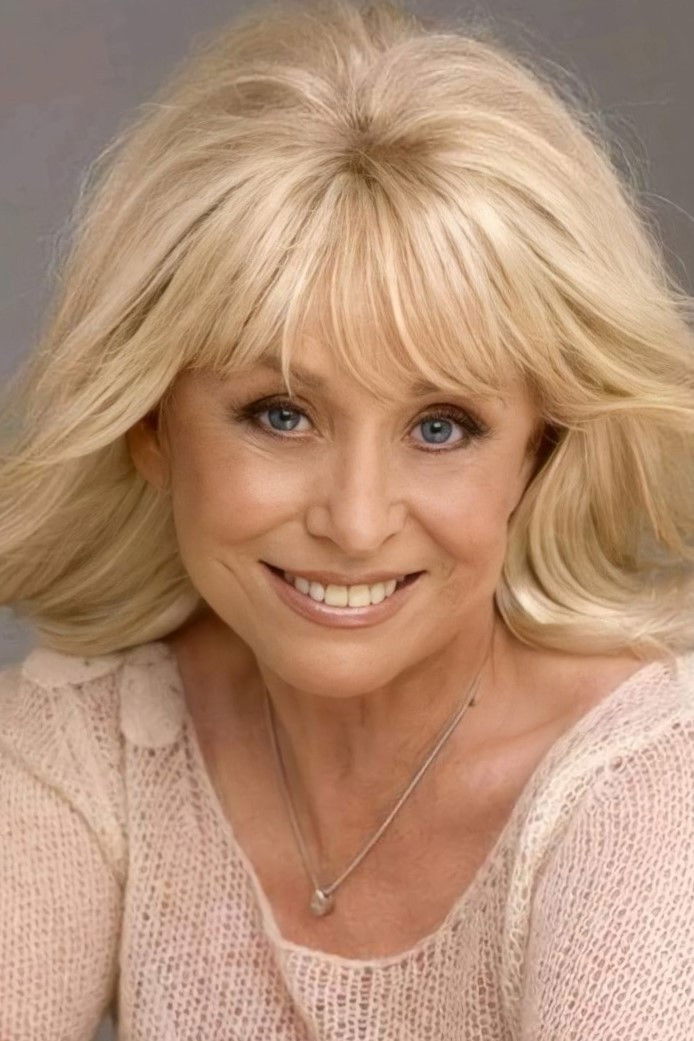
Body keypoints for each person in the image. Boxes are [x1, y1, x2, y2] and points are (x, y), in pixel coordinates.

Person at [1, 0, 693, 1037]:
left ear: (539, 451)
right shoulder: (92, 738)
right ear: (149, 427)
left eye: (442, 427)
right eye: (280, 415)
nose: (358, 522)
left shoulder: (653, 782)